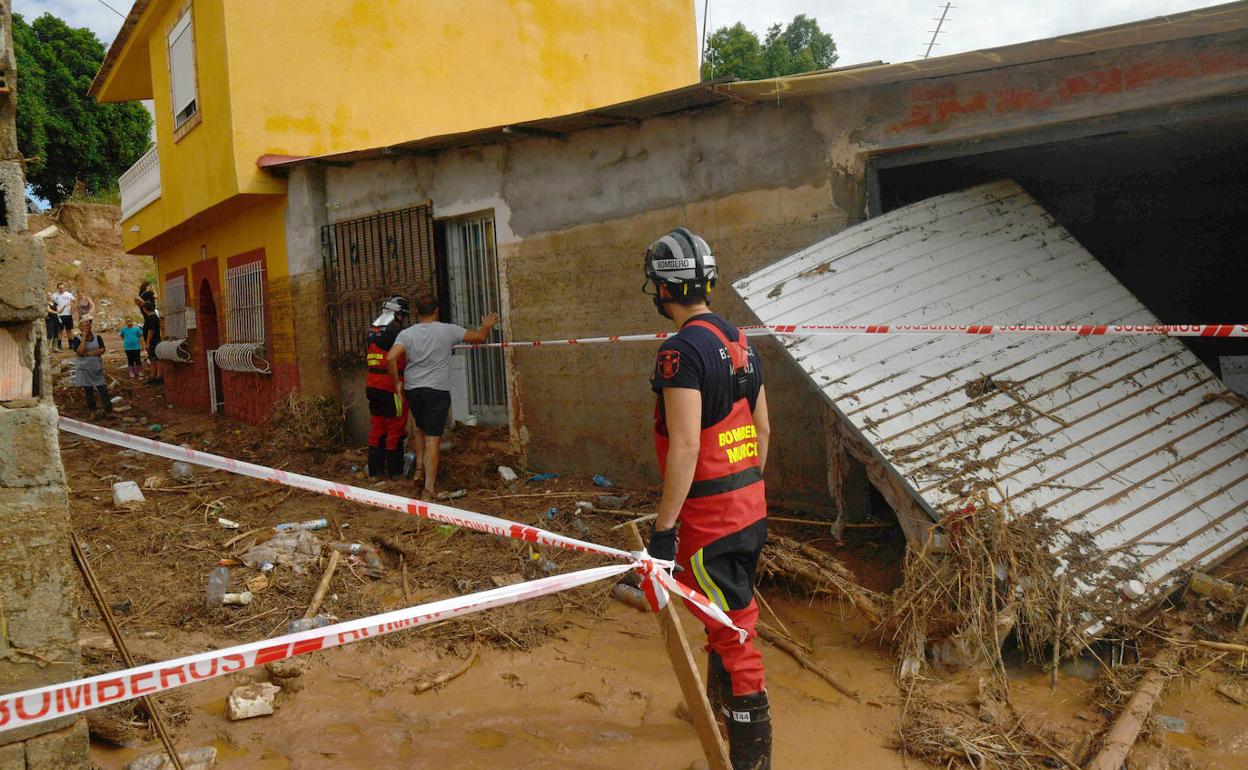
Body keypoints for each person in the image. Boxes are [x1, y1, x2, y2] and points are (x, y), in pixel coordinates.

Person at [643, 227, 772, 769]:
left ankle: (749, 759)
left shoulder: (679, 353)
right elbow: (763, 431)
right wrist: (745, 491)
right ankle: (717, 708)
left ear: (663, 290)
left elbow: (686, 445)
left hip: (708, 522)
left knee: (735, 638)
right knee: (733, 614)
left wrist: (664, 533)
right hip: (749, 509)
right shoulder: (739, 340)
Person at [387, 294, 498, 499]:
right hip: (436, 390)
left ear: (418, 312)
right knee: (433, 440)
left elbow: (391, 357)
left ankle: (419, 468)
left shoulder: (407, 334)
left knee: (420, 430)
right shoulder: (448, 330)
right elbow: (479, 338)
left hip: (413, 390)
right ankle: (429, 488)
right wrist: (486, 325)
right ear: (436, 311)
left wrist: (397, 383)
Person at [364, 296, 411, 479]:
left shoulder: (373, 330)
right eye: (403, 315)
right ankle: (395, 472)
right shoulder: (396, 331)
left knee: (377, 427)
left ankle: (375, 472)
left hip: (372, 385)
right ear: (398, 313)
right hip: (391, 386)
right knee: (396, 428)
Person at [70, 317, 112, 417]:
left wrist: (89, 354)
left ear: (90, 326)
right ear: (80, 328)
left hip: (97, 369)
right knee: (88, 391)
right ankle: (93, 411)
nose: (86, 328)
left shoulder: (98, 337)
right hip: (84, 370)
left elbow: (102, 350)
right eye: (83, 326)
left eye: (87, 325)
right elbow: (80, 352)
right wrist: (83, 338)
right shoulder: (77, 339)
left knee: (103, 389)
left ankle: (108, 411)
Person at [134, 281, 162, 383]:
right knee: (153, 356)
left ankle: (157, 375)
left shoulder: (151, 318)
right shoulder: (149, 294)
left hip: (152, 340)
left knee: (154, 356)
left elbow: (151, 330)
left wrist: (148, 342)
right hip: (152, 340)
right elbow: (156, 296)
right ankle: (155, 375)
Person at [51, 283, 75, 349]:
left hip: (68, 315)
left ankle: (71, 344)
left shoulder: (69, 294)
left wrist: (73, 310)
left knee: (69, 330)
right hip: (59, 316)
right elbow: (51, 304)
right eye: (60, 288)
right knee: (60, 331)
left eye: (63, 288)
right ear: (57, 288)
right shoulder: (54, 295)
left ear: (64, 288)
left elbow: (74, 301)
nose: (61, 289)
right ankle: (59, 345)